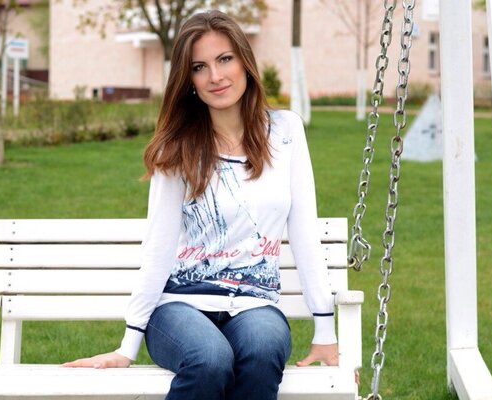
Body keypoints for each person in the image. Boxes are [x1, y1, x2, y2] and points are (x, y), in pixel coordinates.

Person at [63, 10, 338, 399]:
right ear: (188, 79)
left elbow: (305, 230)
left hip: (255, 304)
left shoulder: (285, 131)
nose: (215, 76)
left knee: (263, 348)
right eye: (199, 67)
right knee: (210, 358)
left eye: (225, 59)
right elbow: (159, 244)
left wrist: (325, 331)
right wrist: (128, 346)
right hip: (179, 308)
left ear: (244, 61)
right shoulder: (177, 147)